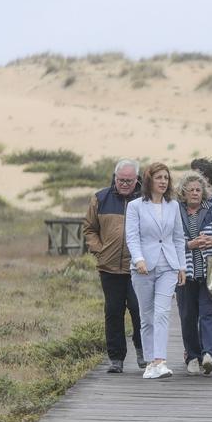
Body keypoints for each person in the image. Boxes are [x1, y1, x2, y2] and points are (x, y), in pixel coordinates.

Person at [83, 158, 147, 373]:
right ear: (115, 177)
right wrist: (99, 249)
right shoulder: (101, 198)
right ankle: (116, 359)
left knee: (139, 311)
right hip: (109, 267)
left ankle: (142, 352)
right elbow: (89, 228)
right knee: (113, 312)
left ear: (137, 179)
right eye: (121, 180)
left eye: (129, 180)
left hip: (137, 267)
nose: (125, 184)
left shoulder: (146, 199)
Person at [125, 162, 187, 379]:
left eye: (166, 178)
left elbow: (178, 238)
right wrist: (138, 258)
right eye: (159, 177)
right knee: (147, 315)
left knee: (162, 312)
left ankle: (160, 360)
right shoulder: (135, 206)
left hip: (168, 266)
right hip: (143, 268)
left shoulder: (174, 206)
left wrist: (182, 266)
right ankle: (151, 362)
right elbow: (132, 236)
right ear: (149, 180)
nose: (163, 181)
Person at [176, 170, 212, 375]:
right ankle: (192, 356)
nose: (194, 193)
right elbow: (167, 242)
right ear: (183, 193)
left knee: (211, 314)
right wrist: (189, 244)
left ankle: (208, 354)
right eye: (190, 190)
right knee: (187, 316)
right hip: (184, 273)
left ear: (204, 192)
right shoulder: (175, 211)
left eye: (198, 190)